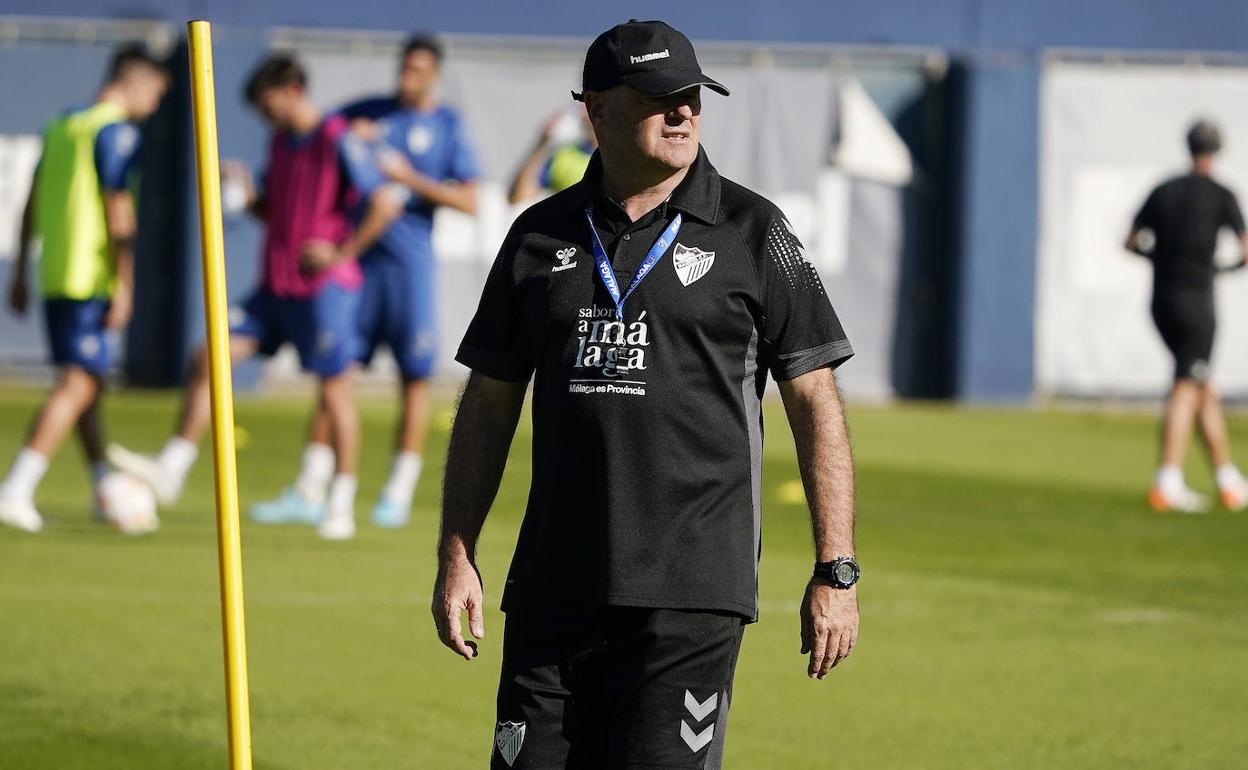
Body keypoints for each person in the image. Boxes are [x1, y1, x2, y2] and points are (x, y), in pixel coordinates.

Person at [432, 20, 860, 768]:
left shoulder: (756, 232)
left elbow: (815, 404)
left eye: (692, 96)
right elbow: (489, 404)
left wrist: (836, 569)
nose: (683, 112)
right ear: (596, 110)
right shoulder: (539, 235)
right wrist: (457, 551)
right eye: (659, 98)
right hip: (551, 588)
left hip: (691, 594)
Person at [108, 54, 405, 540]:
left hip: (325, 292)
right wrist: (248, 198)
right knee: (208, 356)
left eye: (267, 106)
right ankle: (173, 467)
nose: (264, 117)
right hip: (274, 291)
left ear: (291, 90)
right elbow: (279, 211)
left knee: (335, 394)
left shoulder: (337, 138)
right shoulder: (281, 142)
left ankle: (341, 502)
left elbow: (385, 203)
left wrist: (339, 252)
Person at [252, 34, 480, 529]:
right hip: (354, 266)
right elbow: (324, 132)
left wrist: (410, 178)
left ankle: (397, 490)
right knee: (334, 371)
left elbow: (470, 201)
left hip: (408, 266)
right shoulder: (369, 111)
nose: (407, 77)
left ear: (434, 74)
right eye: (404, 67)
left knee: (414, 376)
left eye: (418, 70)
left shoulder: (446, 126)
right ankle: (311, 487)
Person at [0, 45, 168, 533]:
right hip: (89, 275)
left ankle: (101, 485)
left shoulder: (62, 125)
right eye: (155, 93)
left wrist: (19, 272)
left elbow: (31, 197)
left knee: (87, 386)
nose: (155, 105)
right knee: (78, 384)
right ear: (133, 84)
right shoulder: (113, 132)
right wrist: (125, 281)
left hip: (55, 272)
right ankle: (15, 488)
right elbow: (119, 211)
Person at [1126, 119, 1248, 513]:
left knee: (1200, 384)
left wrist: (1159, 259)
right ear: (1217, 149)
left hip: (1162, 300)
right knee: (1185, 386)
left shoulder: (1163, 190)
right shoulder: (1221, 195)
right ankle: (1168, 480)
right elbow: (1246, 249)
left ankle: (1229, 480)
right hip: (1197, 301)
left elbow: (1130, 242)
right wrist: (1222, 269)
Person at [507, 106, 597, 204]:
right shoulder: (563, 155)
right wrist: (543, 143)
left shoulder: (615, 159)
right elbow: (518, 197)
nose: (583, 113)